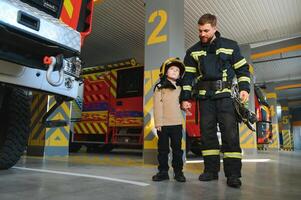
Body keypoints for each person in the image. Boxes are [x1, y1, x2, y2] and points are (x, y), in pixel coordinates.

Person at [180, 13, 251, 188]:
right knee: (207, 136)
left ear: (214, 28)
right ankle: (211, 171)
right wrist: (185, 98)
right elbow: (187, 77)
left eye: (206, 30)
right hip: (205, 99)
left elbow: (242, 69)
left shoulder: (230, 46)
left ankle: (233, 175)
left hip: (226, 97)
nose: (202, 34)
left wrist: (244, 89)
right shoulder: (192, 51)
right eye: (200, 30)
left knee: (230, 135)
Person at [152, 57, 186, 182]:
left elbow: (182, 103)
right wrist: (158, 123)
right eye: (172, 69)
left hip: (177, 123)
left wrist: (185, 106)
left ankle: (178, 172)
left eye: (177, 70)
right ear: (166, 72)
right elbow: (157, 106)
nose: (175, 72)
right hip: (164, 124)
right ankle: (163, 172)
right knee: (163, 150)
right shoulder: (160, 87)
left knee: (177, 150)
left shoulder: (181, 88)